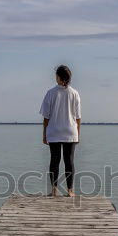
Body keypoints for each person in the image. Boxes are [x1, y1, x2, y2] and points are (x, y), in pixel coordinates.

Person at [39, 65, 81, 197]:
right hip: (70, 131)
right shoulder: (74, 93)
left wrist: (44, 134)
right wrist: (77, 134)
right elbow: (78, 117)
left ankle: (54, 190)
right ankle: (70, 191)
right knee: (69, 161)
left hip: (54, 130)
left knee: (54, 160)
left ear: (59, 77)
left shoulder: (50, 93)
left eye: (56, 75)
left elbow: (46, 116)